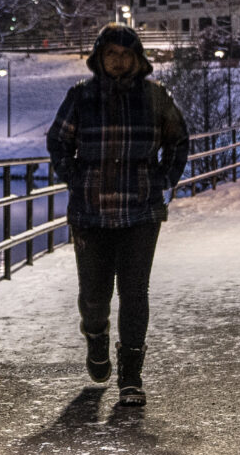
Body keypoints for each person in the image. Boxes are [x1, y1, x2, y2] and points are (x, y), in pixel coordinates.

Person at [46, 24, 190, 406]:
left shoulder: (156, 98)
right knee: (94, 296)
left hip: (140, 211)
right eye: (112, 54)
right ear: (99, 57)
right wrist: (77, 179)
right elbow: (58, 141)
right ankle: (96, 338)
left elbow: (178, 141)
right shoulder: (81, 97)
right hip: (90, 214)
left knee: (134, 293)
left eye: (126, 55)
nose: (119, 62)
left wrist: (162, 178)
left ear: (138, 58)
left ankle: (131, 377)